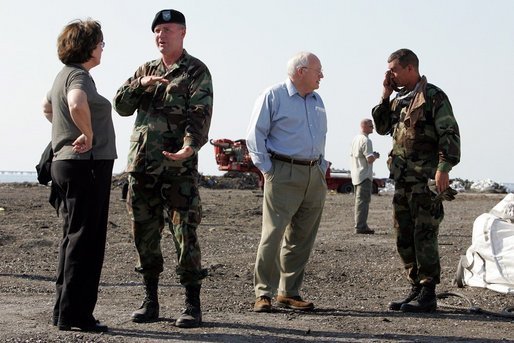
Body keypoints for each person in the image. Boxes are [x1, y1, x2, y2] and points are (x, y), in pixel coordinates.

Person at [113, 9, 213, 328]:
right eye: (157, 30)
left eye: (167, 29)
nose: (161, 35)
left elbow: (199, 115)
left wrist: (189, 146)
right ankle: (150, 300)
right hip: (142, 167)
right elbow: (121, 105)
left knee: (184, 233)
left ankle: (191, 304)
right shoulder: (146, 69)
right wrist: (140, 84)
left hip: (177, 169)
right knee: (144, 233)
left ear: (183, 33)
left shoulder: (196, 71)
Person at [42, 19, 117, 332]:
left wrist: (65, 133)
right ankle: (77, 315)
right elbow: (75, 103)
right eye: (100, 42)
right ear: (87, 47)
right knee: (86, 240)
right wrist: (85, 134)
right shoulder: (79, 78)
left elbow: (47, 107)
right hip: (87, 164)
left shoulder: (65, 75)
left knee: (72, 238)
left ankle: (64, 310)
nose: (103, 47)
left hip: (66, 162)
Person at [372, 48, 460, 313]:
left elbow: (449, 132)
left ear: (410, 68)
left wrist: (444, 167)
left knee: (425, 233)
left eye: (394, 70)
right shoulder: (399, 99)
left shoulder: (432, 96)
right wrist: (385, 95)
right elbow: (382, 127)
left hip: (425, 178)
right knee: (404, 234)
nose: (390, 74)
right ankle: (415, 286)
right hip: (403, 179)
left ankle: (428, 291)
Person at [246, 51, 328, 313]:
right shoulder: (274, 96)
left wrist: (321, 167)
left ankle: (289, 292)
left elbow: (320, 136)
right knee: (273, 234)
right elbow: (255, 134)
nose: (322, 76)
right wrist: (268, 170)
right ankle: (263, 294)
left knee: (302, 237)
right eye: (318, 70)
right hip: (283, 171)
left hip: (313, 174)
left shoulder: (317, 100)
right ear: (301, 71)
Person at [350, 119, 380, 234]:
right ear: (365, 126)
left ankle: (360, 224)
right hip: (364, 175)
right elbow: (369, 159)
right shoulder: (367, 141)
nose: (373, 128)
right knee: (363, 201)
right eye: (371, 126)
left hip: (356, 174)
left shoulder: (355, 139)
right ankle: (361, 226)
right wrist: (376, 155)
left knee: (359, 201)